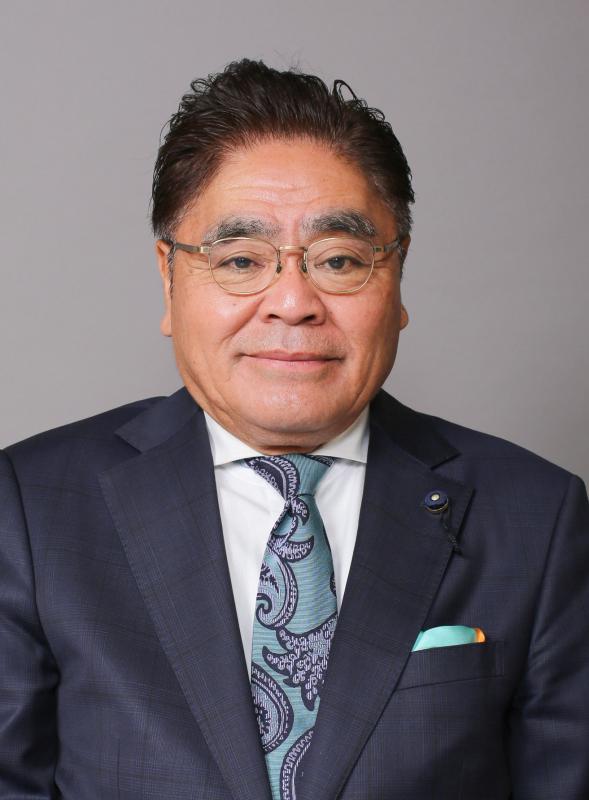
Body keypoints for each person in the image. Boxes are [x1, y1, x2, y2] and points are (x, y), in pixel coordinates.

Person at [1, 59, 587, 800]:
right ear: (169, 279)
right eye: (241, 260)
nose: (292, 302)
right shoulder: (30, 507)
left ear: (396, 276)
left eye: (339, 260)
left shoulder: (535, 515)